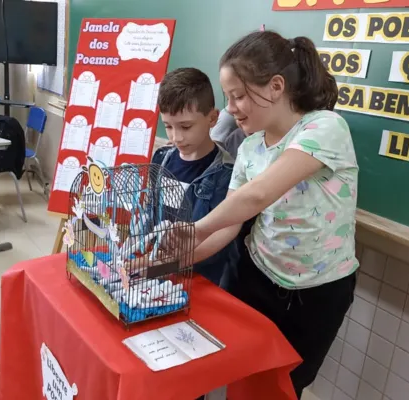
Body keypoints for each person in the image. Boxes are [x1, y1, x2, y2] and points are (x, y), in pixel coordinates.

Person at [170, 31, 359, 399]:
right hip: (256, 277)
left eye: (238, 96)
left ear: (275, 87)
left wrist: (193, 229)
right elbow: (231, 224)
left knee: (282, 386)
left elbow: (257, 195)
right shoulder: (251, 147)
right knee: (242, 374)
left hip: (318, 293)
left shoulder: (323, 128)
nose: (230, 109)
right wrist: (176, 259)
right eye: (228, 98)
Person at [151, 67, 238, 288]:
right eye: (168, 126)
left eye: (186, 126)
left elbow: (219, 244)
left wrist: (168, 264)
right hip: (156, 273)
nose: (176, 137)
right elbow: (151, 216)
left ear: (212, 118)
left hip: (198, 281)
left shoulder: (226, 173)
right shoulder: (161, 159)